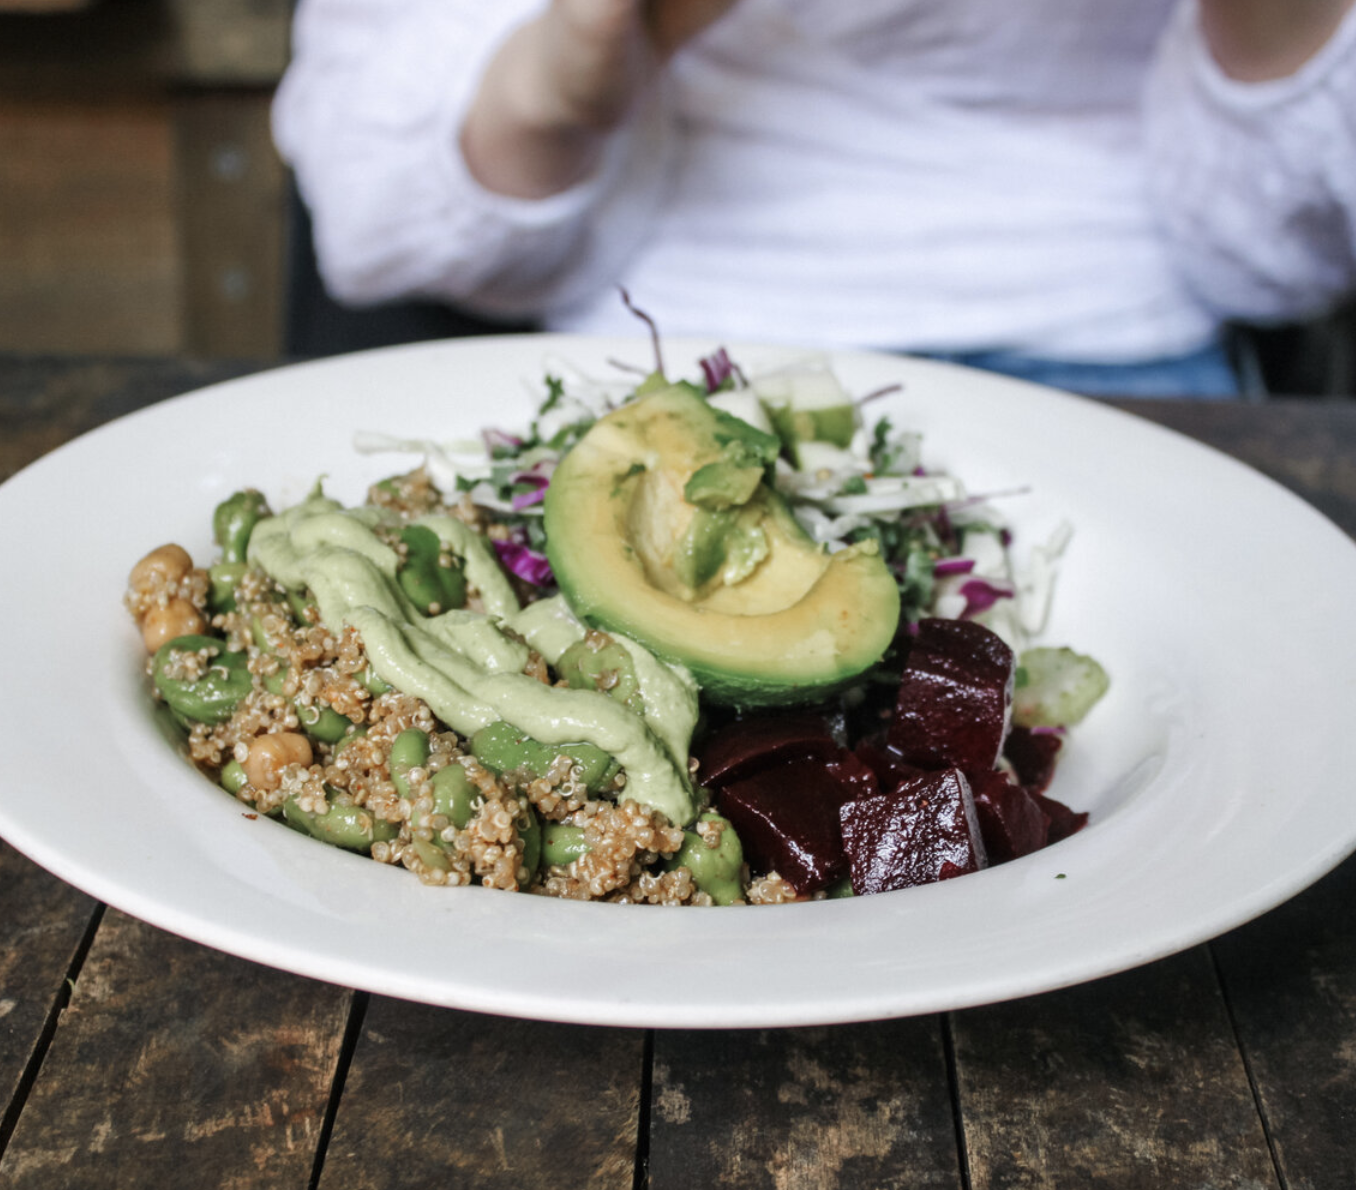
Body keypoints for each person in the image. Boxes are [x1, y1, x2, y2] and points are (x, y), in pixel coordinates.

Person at [273, 0, 1356, 396]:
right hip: (652, 349)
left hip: (1116, 350)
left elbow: (1275, 257)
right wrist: (579, 57)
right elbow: (373, 218)